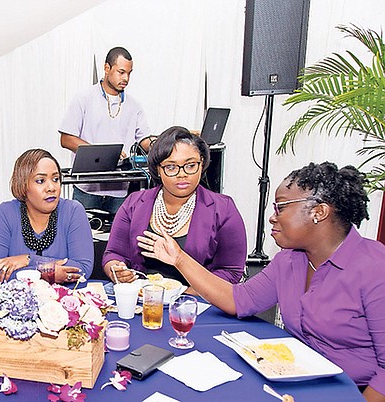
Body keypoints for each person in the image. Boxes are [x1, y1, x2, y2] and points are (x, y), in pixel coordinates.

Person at [139, 162, 385, 401]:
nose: (272, 218)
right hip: (294, 381)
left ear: (318, 212)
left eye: (281, 208)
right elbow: (238, 300)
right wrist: (180, 259)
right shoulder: (288, 261)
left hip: (352, 391)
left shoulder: (375, 269)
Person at [103, 126, 246, 289]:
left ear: (202, 164)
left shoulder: (223, 209)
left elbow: (231, 271)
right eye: (171, 167)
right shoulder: (134, 203)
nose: (182, 174)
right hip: (143, 300)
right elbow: (114, 254)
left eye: (190, 165)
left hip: (198, 304)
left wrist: (188, 295)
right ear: (158, 169)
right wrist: (117, 269)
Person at [59, 46, 151, 215]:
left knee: (117, 241)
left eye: (129, 73)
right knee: (83, 240)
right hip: (87, 189)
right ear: (107, 68)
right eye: (121, 72)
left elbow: (144, 140)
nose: (126, 78)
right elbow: (66, 138)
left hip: (120, 191)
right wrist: (100, 154)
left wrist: (163, 143)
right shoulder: (84, 98)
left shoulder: (134, 106)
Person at [0, 149, 93, 283]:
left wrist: (28, 260)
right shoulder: (6, 212)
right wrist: (43, 273)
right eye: (40, 181)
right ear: (22, 185)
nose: (51, 187)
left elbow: (83, 268)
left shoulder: (73, 211)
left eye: (55, 179)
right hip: (17, 301)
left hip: (64, 300)